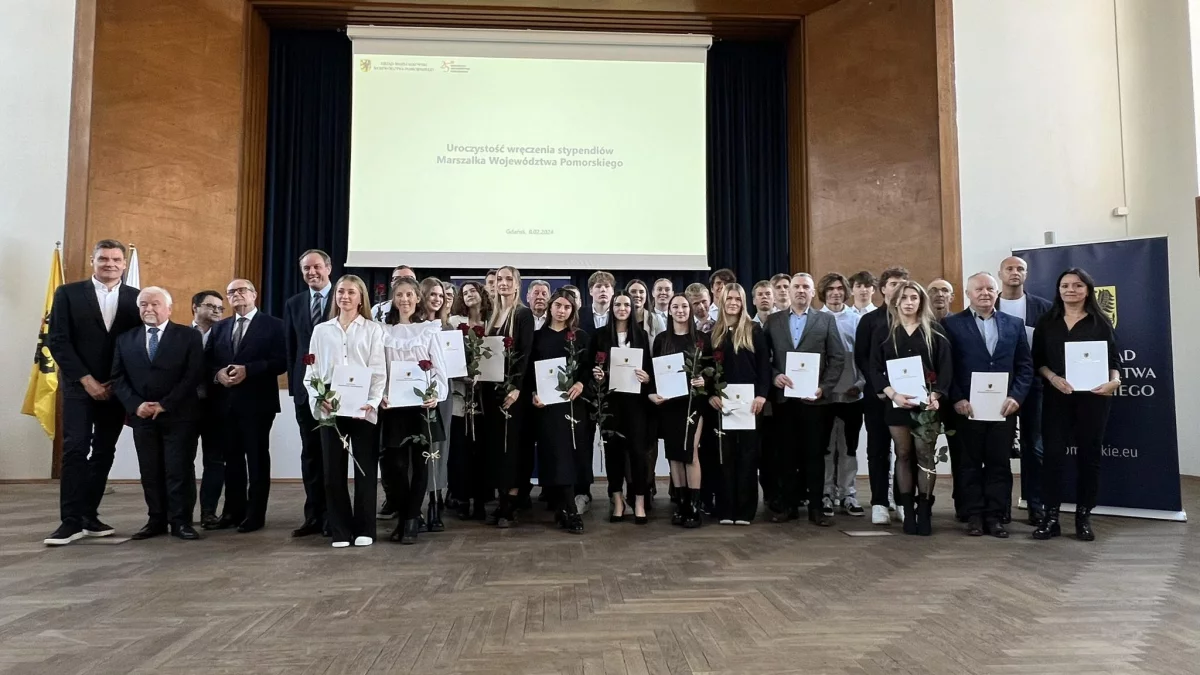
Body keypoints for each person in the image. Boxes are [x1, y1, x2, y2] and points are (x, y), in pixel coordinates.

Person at [45, 239, 141, 546]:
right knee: (74, 449)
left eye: (116, 259)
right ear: (92, 261)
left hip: (116, 389)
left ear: (124, 265)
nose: (110, 264)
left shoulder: (137, 298)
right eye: (103, 259)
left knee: (103, 451)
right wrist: (87, 381)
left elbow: (137, 344)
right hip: (78, 386)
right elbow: (58, 340)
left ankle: (89, 514)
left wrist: (117, 382)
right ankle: (69, 521)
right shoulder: (68, 294)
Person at [1032, 268, 1121, 542]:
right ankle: (1051, 517)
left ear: (1088, 290)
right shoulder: (1047, 322)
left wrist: (1114, 382)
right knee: (1053, 457)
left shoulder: (1101, 322)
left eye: (1078, 285)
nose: (1071, 290)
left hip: (1094, 399)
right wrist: (1054, 378)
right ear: (1058, 290)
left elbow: (1114, 363)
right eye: (1065, 285)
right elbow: (1037, 362)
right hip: (1057, 397)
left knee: (1089, 458)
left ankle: (1083, 517)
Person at [943, 273, 1033, 538]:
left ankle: (995, 516)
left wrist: (1016, 397)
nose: (985, 293)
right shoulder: (951, 325)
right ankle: (973, 515)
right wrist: (957, 398)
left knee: (998, 464)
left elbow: (1025, 367)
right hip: (966, 408)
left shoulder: (1014, 324)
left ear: (998, 292)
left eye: (990, 288)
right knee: (968, 464)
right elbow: (947, 368)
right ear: (968, 293)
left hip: (1003, 408)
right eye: (978, 289)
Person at [111, 286, 205, 541]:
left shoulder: (188, 336)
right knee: (150, 471)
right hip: (141, 417)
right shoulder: (125, 338)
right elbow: (118, 378)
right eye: (143, 304)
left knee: (179, 470)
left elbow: (193, 375)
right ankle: (156, 520)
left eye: (155, 304)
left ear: (169, 309)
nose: (149, 309)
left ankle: (181, 521)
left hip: (179, 415)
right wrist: (135, 405)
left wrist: (165, 404)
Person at [305, 275, 386, 548]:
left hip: (363, 405)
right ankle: (340, 530)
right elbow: (312, 371)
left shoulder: (374, 330)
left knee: (365, 469)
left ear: (361, 297)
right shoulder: (321, 330)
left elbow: (378, 372)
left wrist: (372, 402)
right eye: (341, 291)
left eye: (351, 292)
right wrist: (319, 397)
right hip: (330, 403)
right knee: (332, 470)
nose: (345, 296)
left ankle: (365, 529)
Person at [871, 280, 953, 535]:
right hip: (896, 404)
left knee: (925, 456)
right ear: (896, 301)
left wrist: (937, 394)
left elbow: (946, 367)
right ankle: (907, 509)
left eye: (914, 298)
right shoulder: (884, 331)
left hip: (926, 404)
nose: (909, 302)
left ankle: (925, 510)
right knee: (903, 454)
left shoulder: (935, 331)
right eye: (904, 297)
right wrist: (892, 393)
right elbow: (874, 367)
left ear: (921, 302)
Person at [763, 273, 845, 527]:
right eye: (796, 286)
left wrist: (824, 388)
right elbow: (763, 358)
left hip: (815, 401)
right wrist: (774, 376)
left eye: (805, 287)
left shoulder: (826, 320)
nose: (800, 291)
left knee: (814, 455)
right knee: (785, 455)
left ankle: (817, 508)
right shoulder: (773, 321)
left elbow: (838, 357)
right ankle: (788, 506)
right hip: (784, 401)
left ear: (812, 293)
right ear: (789, 292)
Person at [206, 279, 287, 533]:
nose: (237, 295)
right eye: (231, 292)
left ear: (254, 294)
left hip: (257, 404)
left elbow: (282, 362)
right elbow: (206, 361)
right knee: (231, 460)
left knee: (256, 459)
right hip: (225, 404)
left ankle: (255, 514)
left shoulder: (274, 325)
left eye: (242, 290)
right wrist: (217, 374)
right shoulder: (219, 328)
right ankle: (232, 511)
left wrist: (249, 370)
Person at [379, 277, 449, 544]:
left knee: (421, 466)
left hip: (422, 406)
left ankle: (409, 521)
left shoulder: (429, 330)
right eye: (399, 295)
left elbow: (439, 370)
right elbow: (381, 370)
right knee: (395, 466)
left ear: (418, 298)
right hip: (394, 406)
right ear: (393, 300)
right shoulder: (383, 330)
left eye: (409, 294)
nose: (405, 300)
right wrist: (381, 395)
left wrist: (436, 394)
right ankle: (407, 515)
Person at [530, 289, 593, 533]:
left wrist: (580, 383)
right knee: (553, 455)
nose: (561, 310)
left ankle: (569, 508)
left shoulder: (580, 337)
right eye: (558, 305)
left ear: (572, 311)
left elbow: (588, 369)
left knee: (571, 454)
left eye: (567, 307)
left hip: (573, 405)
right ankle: (563, 506)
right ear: (550, 307)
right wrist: (534, 394)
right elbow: (529, 372)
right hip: (546, 407)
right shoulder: (537, 337)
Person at [708, 284, 770, 525]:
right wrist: (711, 395)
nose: (733, 302)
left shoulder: (754, 331)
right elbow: (707, 370)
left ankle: (745, 511)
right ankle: (726, 509)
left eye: (737, 298)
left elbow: (764, 367)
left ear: (743, 302)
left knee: (747, 457)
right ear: (722, 301)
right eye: (728, 298)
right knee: (725, 457)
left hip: (750, 404)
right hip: (722, 405)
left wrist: (762, 395)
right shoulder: (713, 333)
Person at [998, 255, 1053, 525]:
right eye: (1009, 268)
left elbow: (1051, 348)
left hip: (1035, 385)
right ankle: (1001, 507)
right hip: (997, 387)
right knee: (999, 448)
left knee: (1035, 446)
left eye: (1020, 268)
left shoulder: (1043, 308)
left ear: (1027, 274)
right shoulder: (988, 304)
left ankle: (1036, 505)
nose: (1015, 272)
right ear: (1000, 274)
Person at [590, 291, 653, 523]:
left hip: (636, 404)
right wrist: (596, 374)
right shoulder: (599, 336)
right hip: (610, 402)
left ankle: (638, 499)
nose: (622, 308)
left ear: (633, 308)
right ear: (612, 308)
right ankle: (617, 499)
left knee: (638, 452)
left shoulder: (642, 336)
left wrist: (647, 378)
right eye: (618, 304)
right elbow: (590, 366)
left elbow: (650, 370)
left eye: (627, 304)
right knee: (613, 453)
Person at [283, 249, 332, 538]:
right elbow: (292, 349)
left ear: (328, 267)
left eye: (316, 267)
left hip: (338, 393)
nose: (311, 272)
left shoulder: (345, 296)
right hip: (306, 393)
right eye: (305, 269)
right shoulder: (294, 303)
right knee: (311, 455)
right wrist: (295, 389)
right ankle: (313, 515)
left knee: (332, 456)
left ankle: (333, 515)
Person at [854, 267, 909, 524]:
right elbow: (862, 358)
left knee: (905, 450)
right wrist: (882, 387)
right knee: (877, 448)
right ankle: (878, 502)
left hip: (907, 396)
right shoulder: (870, 321)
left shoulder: (913, 318)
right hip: (878, 396)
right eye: (893, 283)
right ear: (883, 288)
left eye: (903, 283)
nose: (898, 288)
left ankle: (902, 500)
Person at [651, 294, 710, 528]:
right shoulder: (661, 339)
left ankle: (694, 506)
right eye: (675, 306)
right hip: (670, 404)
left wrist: (704, 379)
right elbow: (655, 371)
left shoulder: (702, 339)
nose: (680, 310)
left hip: (694, 403)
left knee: (691, 452)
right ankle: (682, 503)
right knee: (674, 454)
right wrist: (654, 393)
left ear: (691, 309)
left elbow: (712, 370)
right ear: (669, 311)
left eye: (684, 306)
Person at [484, 266, 535, 527]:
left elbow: (525, 353)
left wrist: (515, 387)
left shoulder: (523, 314)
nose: (503, 283)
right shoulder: (492, 315)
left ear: (517, 284)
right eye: (499, 279)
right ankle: (502, 496)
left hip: (515, 393)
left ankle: (511, 502)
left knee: (512, 445)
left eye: (508, 279)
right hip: (493, 390)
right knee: (497, 445)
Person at [817, 273, 866, 517]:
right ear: (823, 293)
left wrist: (861, 383)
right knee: (826, 448)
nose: (835, 293)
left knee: (848, 447)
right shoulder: (816, 319)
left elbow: (864, 357)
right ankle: (826, 493)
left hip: (851, 394)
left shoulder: (857, 320)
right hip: (824, 396)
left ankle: (848, 493)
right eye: (830, 289)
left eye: (839, 288)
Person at [447, 281, 493, 520]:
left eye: (473, 290)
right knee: (461, 451)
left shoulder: (492, 323)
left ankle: (481, 501)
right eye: (464, 293)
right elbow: (449, 356)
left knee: (482, 452)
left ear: (481, 294)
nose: (469, 295)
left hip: (485, 398)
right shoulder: (455, 323)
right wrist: (462, 374)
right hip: (460, 396)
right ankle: (462, 498)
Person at [418, 277, 453, 533]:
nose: (437, 299)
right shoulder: (411, 326)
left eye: (441, 295)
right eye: (432, 294)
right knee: (417, 447)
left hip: (443, 394)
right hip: (414, 394)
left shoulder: (448, 328)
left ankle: (436, 502)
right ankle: (414, 504)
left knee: (440, 445)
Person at [190, 289, 225, 528]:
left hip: (216, 407)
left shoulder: (225, 335)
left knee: (214, 461)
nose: (216, 311)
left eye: (220, 308)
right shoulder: (179, 334)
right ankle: (180, 512)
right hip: (185, 408)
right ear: (195, 307)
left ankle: (209, 513)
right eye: (211, 306)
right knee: (182, 461)